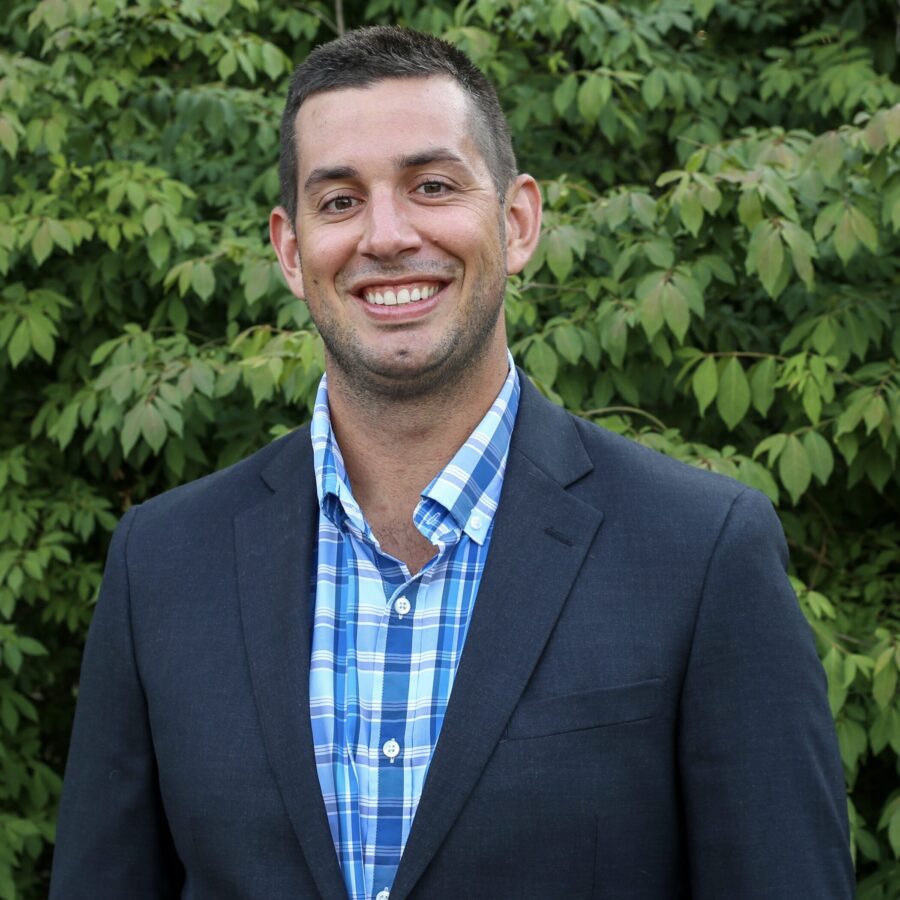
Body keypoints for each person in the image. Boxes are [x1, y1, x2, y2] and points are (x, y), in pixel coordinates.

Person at [50, 25, 853, 900]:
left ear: (516, 223)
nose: (387, 235)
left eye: (432, 186)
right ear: (289, 250)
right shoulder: (162, 563)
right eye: (340, 200)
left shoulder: (701, 553)